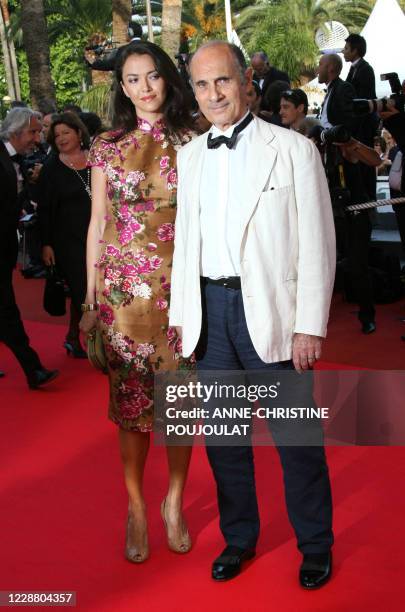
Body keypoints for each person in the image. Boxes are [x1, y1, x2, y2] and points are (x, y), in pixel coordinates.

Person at [169, 41, 336, 588]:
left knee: (297, 443)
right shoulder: (189, 156)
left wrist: (309, 322)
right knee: (224, 442)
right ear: (192, 92)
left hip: (273, 313)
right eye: (201, 85)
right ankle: (240, 539)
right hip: (210, 317)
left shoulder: (292, 149)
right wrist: (181, 315)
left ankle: (315, 545)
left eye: (221, 81)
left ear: (245, 83)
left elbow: (317, 241)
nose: (212, 94)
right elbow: (184, 245)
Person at [79, 41, 196, 563]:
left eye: (152, 76)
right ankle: (136, 507)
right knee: (132, 411)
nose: (144, 88)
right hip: (123, 296)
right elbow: (98, 223)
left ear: (166, 78)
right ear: (121, 87)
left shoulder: (193, 138)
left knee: (180, 405)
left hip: (181, 290)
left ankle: (173, 501)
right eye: (132, 79)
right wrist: (89, 295)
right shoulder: (106, 144)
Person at [317, 53, 376, 334]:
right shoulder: (329, 93)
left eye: (320, 65)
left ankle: (367, 314)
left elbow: (351, 124)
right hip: (329, 183)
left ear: (330, 68)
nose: (317, 68)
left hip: (350, 185)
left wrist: (343, 140)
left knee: (357, 260)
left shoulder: (344, 89)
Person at [0, 107, 59, 388]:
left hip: (7, 246)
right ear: (16, 131)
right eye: (33, 132)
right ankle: (32, 368)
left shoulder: (19, 159)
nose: (37, 139)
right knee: (7, 310)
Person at [37, 112, 92, 358]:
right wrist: (47, 244)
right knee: (83, 290)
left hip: (99, 236)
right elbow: (45, 209)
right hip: (68, 240)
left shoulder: (96, 159)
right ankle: (95, 342)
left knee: (99, 288)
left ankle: (72, 336)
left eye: (66, 132)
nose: (61, 138)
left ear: (79, 133)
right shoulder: (51, 168)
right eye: (56, 135)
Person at [343, 33, 378, 201]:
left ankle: (368, 197)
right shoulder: (354, 69)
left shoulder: (365, 69)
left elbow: (364, 99)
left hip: (363, 126)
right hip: (356, 127)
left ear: (355, 50)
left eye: (346, 49)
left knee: (365, 164)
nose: (343, 52)